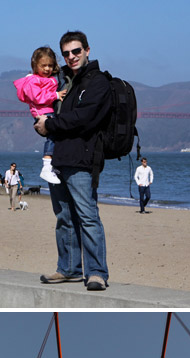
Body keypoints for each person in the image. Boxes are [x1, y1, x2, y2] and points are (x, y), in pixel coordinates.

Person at [35, 31, 112, 291]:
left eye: (76, 51)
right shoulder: (63, 81)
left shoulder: (98, 82)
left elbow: (84, 118)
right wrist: (43, 120)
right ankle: (68, 269)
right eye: (66, 53)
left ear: (87, 50)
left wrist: (50, 124)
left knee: (88, 216)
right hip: (58, 159)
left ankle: (97, 273)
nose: (71, 57)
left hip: (83, 159)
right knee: (64, 217)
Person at [15, 47, 67, 184]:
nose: (47, 69)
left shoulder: (48, 79)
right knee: (53, 135)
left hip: (48, 109)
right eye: (43, 65)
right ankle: (46, 166)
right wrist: (55, 95)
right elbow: (38, 98)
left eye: (50, 65)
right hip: (42, 112)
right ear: (35, 65)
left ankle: (53, 165)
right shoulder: (33, 81)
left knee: (56, 136)